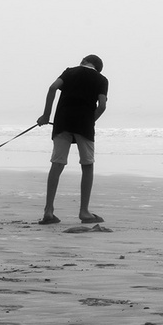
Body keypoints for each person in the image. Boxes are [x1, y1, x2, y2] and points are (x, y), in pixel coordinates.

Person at [36, 55, 109, 224]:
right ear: (98, 68)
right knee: (87, 165)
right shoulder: (102, 79)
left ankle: (48, 210)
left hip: (62, 122)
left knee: (57, 163)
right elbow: (103, 106)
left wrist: (46, 115)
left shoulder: (70, 72)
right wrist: (90, 122)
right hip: (85, 125)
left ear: (84, 61)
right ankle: (84, 212)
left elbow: (53, 88)